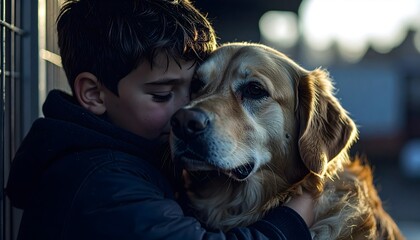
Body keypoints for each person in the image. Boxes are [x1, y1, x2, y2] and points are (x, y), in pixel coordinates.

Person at [6, 0, 313, 239]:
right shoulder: (103, 182)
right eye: (163, 94)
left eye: (192, 89)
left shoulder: (132, 156)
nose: (190, 109)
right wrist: (296, 217)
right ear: (95, 95)